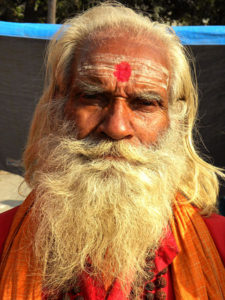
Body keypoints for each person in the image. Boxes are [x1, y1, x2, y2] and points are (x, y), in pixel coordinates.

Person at [0, 2, 225, 299]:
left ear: (175, 121)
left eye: (145, 103)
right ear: (58, 107)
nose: (116, 127)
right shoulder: (4, 241)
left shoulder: (218, 245)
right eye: (92, 96)